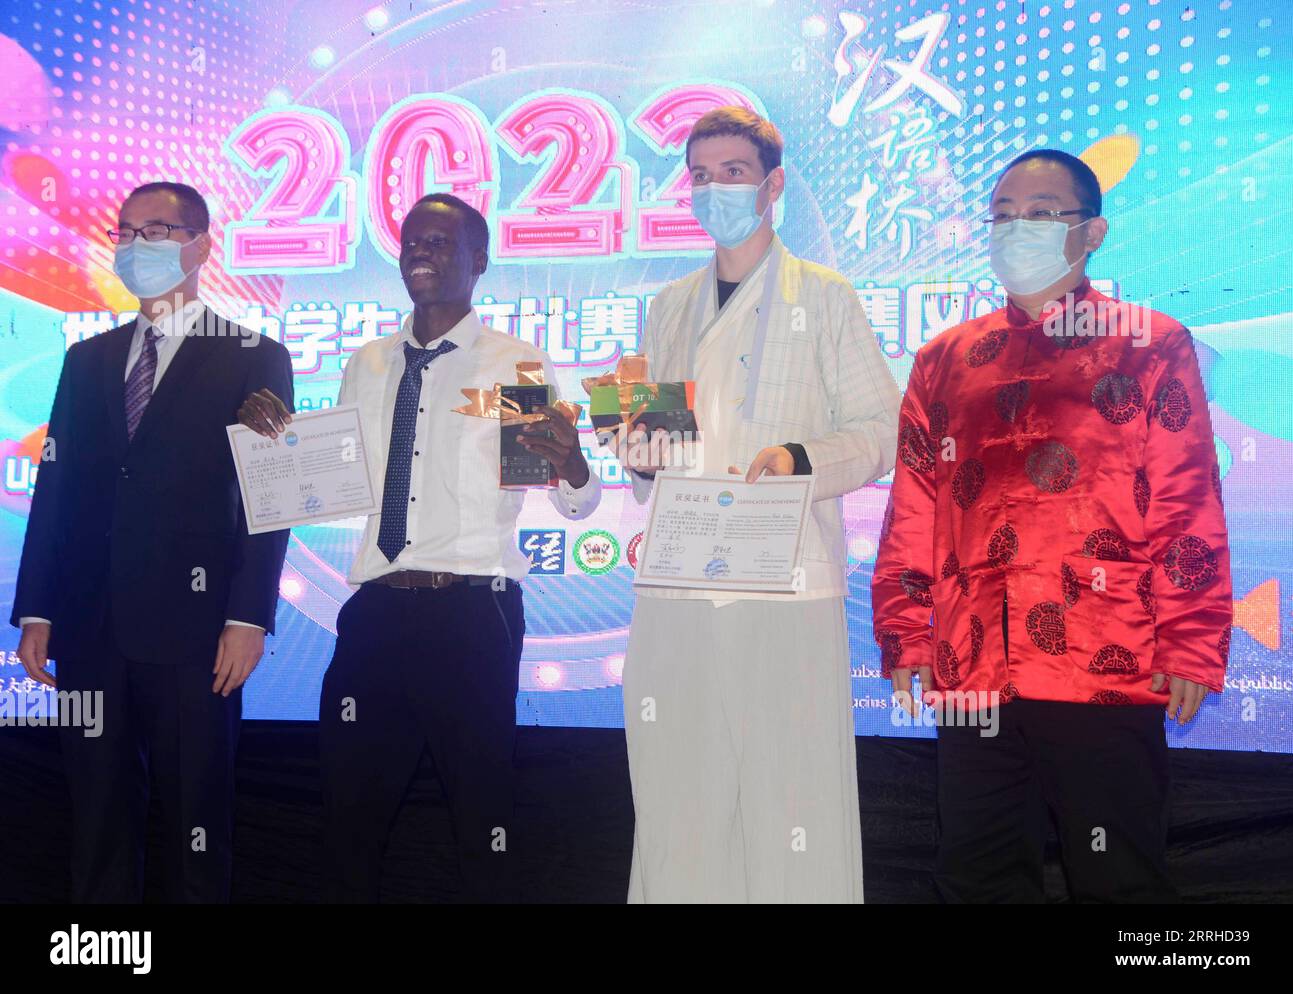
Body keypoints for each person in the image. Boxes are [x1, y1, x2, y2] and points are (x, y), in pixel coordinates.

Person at [872, 149, 1232, 903]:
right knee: (976, 875)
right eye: (1002, 215)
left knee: (1118, 876)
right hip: (973, 662)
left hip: (1104, 658)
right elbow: (914, 504)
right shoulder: (946, 359)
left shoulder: (1149, 343)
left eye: (1040, 213)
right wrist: (904, 628)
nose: (1016, 229)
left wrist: (1192, 640)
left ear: (1092, 231)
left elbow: (1186, 498)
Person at [237, 193, 601, 903]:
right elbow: (334, 488)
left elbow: (566, 496)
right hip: (374, 615)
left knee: (482, 823)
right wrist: (271, 443)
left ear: (480, 261)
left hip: (472, 615)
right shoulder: (367, 363)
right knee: (348, 820)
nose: (421, 253)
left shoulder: (515, 366)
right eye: (411, 242)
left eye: (440, 242)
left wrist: (575, 462)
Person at [615, 107, 900, 903]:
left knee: (792, 800)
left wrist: (799, 459)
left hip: (786, 585)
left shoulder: (827, 296)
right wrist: (631, 440)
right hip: (676, 586)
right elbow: (654, 460)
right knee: (677, 805)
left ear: (773, 185)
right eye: (701, 177)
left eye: (733, 173)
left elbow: (882, 431)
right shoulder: (668, 305)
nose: (716, 190)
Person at [12, 181, 294, 902]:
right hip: (91, 625)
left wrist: (248, 616)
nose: (139, 246)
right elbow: (58, 487)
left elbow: (273, 496)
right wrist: (38, 607)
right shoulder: (89, 361)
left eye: (159, 231)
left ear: (201, 246)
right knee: (98, 816)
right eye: (128, 231)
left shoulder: (252, 356)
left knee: (197, 819)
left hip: (197, 630)